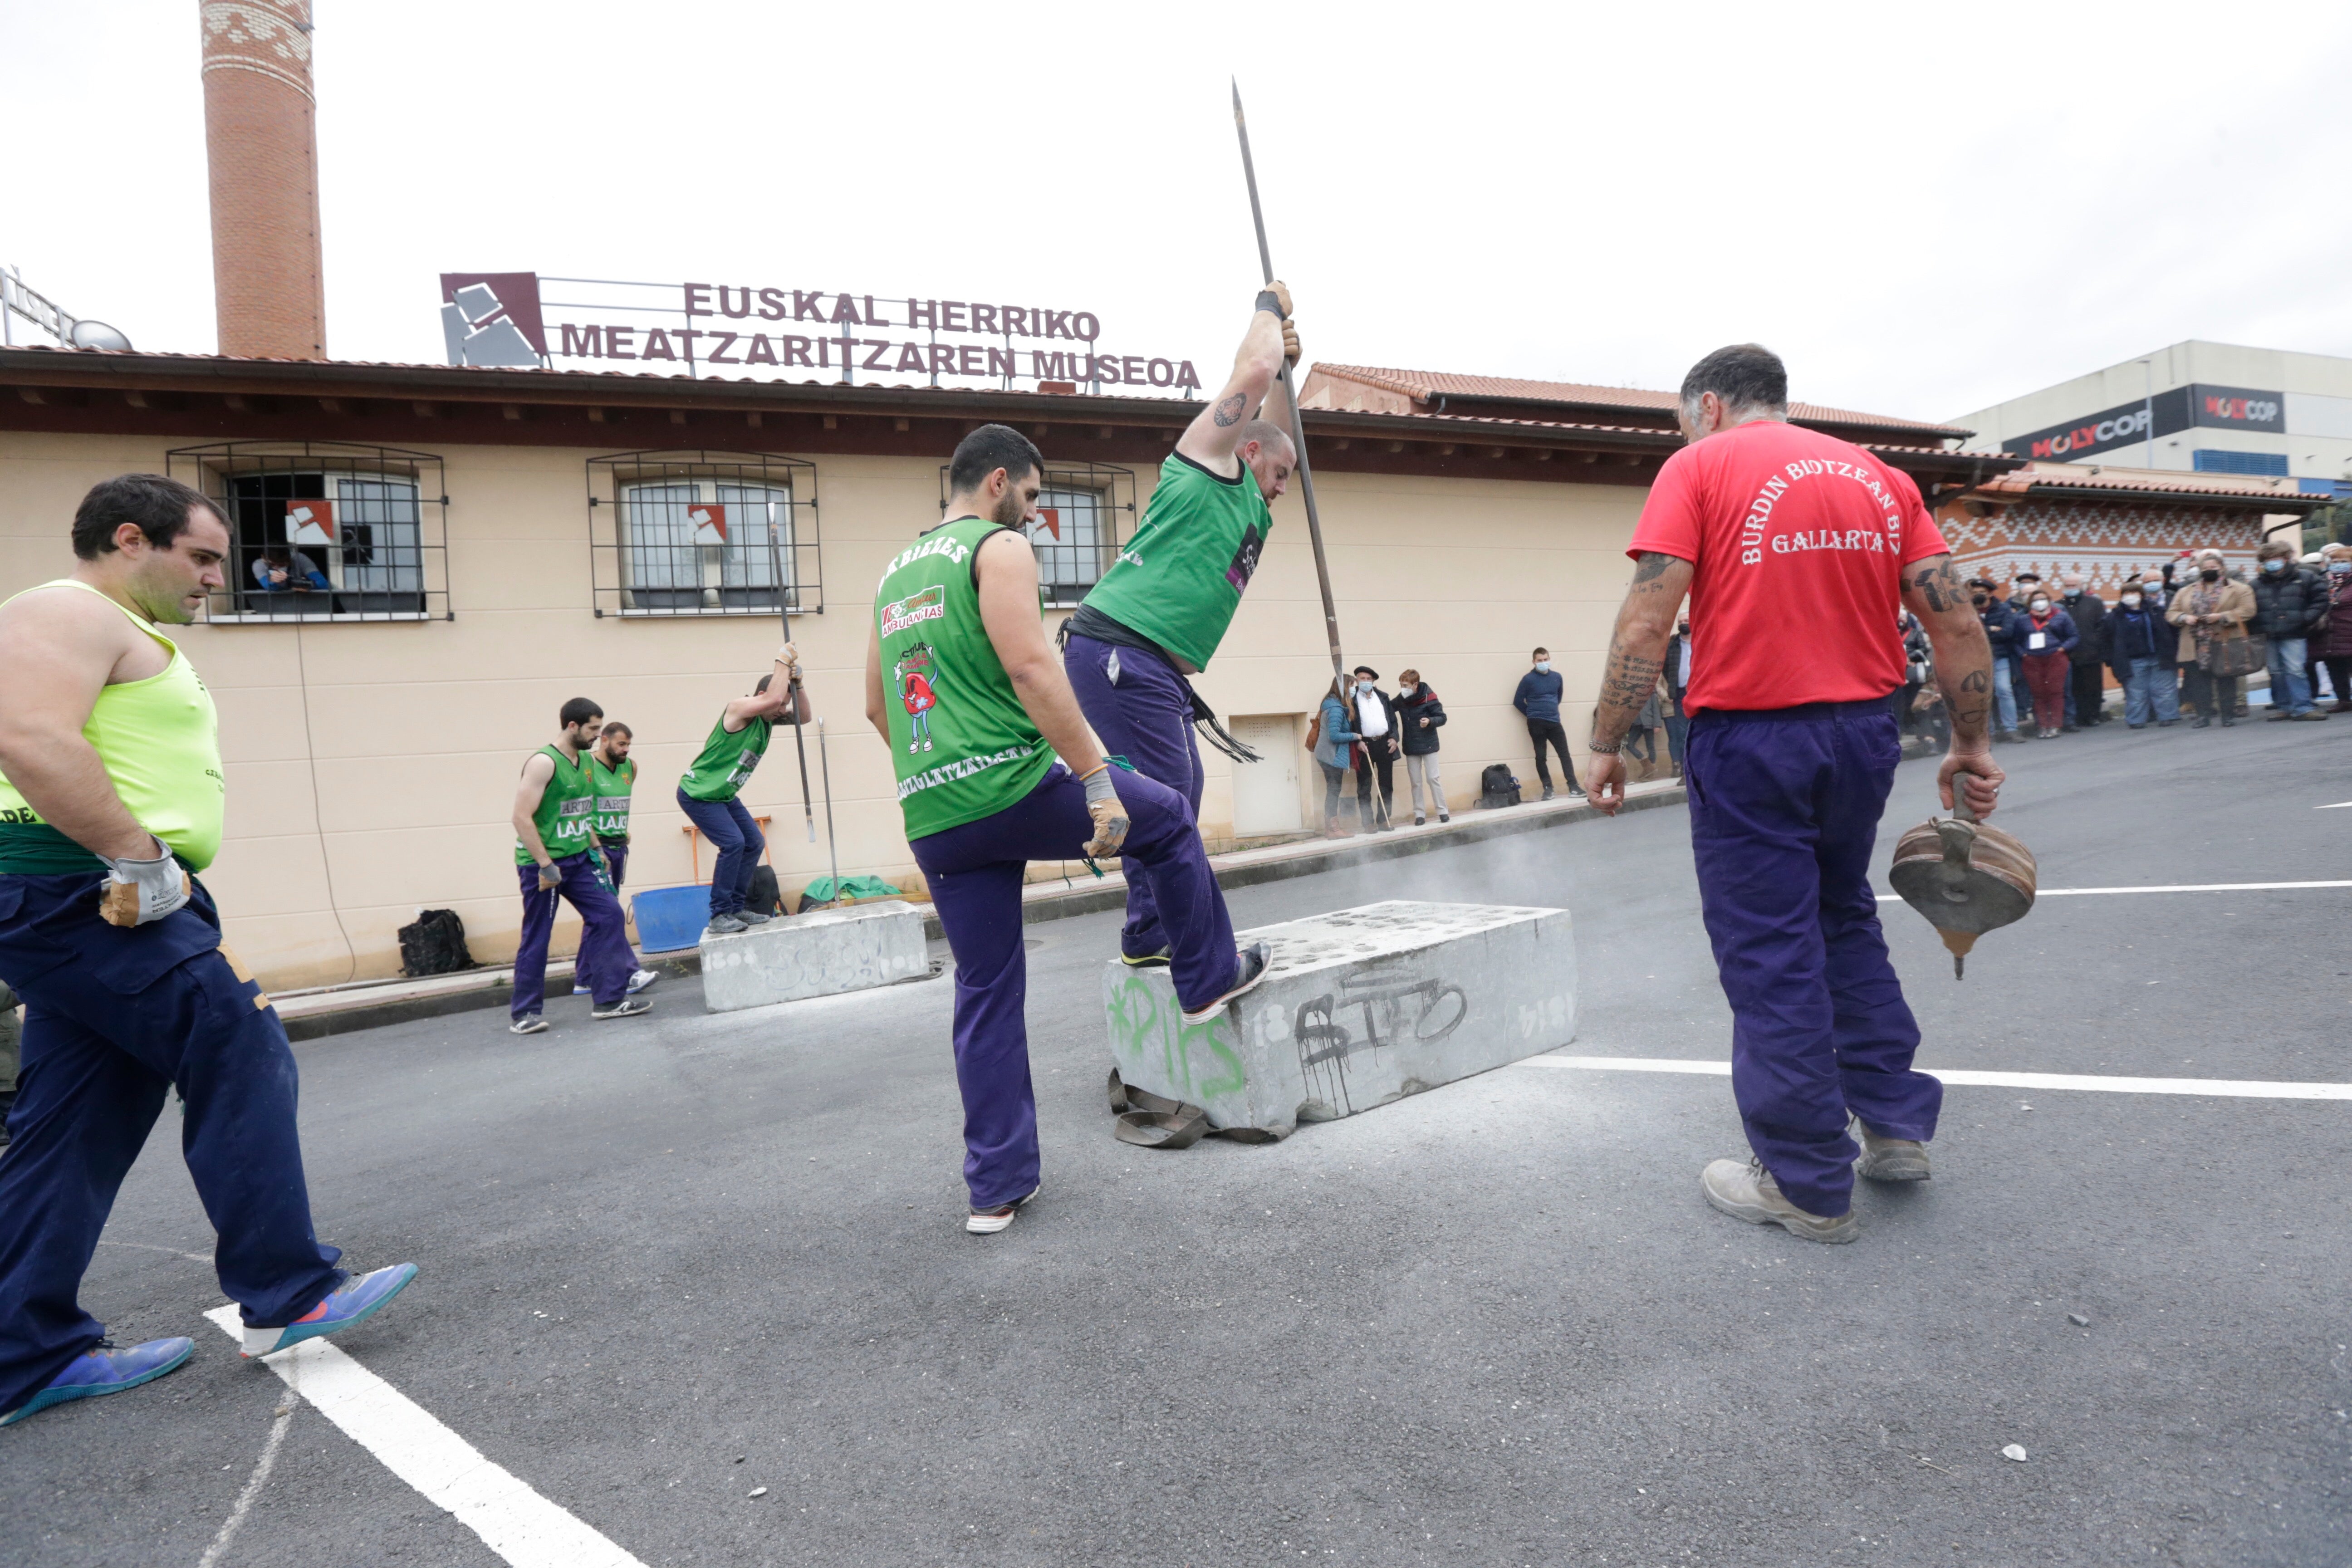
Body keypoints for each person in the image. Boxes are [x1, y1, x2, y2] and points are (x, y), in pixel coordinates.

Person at [0, 474, 418, 1428]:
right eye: (200, 559)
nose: (213, 581)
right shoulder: (68, 610)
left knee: (74, 1122)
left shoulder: (109, 628)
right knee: (238, 1039)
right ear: (130, 538)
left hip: (81, 892)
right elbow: (25, 735)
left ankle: (21, 1354)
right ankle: (285, 1292)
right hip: (93, 891)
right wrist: (139, 860)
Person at [1583, 344, 2003, 1245]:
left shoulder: (1696, 465)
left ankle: (1807, 1181)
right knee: (1842, 913)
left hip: (1753, 735)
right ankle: (1893, 1127)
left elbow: (1648, 620)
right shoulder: (1880, 479)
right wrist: (1970, 742)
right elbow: (1957, 617)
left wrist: (1605, 741)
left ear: (1706, 405)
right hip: (1861, 730)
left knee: (1770, 944)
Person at [867, 424, 1266, 1233]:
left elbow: (877, 707)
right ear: (997, 482)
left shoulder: (890, 575)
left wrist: (940, 769)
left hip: (934, 817)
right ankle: (1206, 978)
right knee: (1167, 814)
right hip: (1010, 785)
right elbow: (1031, 666)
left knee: (983, 992)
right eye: (1034, 495)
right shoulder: (996, 549)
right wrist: (1093, 781)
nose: (1035, 513)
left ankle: (995, 1190)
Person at [1061, 284, 1298, 967]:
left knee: (1177, 792)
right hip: (1119, 651)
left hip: (1147, 665)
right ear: (1245, 452)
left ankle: (1149, 929)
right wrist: (1267, 311)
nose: (1285, 485)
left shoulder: (1251, 501)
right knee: (1167, 802)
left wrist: (1288, 365)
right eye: (1278, 473)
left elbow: (1276, 423)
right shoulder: (1206, 465)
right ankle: (1182, 945)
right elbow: (1250, 381)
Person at [510, 698, 657, 1035]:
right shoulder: (544, 763)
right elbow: (521, 818)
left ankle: (609, 1001)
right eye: (593, 728)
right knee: (538, 936)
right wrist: (545, 865)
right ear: (572, 726)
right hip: (544, 865)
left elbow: (579, 811)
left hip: (581, 860)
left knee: (609, 915)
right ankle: (525, 1014)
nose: (597, 735)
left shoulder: (585, 763)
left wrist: (597, 849)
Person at [676, 652, 812, 935]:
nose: (782, 710)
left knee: (753, 841)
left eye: (785, 705)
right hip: (699, 794)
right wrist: (783, 662)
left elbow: (806, 717)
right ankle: (719, 914)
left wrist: (797, 684)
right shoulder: (738, 709)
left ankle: (737, 908)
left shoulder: (768, 719)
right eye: (779, 703)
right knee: (734, 843)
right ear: (762, 695)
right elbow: (773, 701)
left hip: (723, 796)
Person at [571, 721, 637, 998]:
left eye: (628, 745)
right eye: (621, 744)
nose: (625, 750)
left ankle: (585, 979)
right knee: (609, 914)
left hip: (618, 848)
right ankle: (631, 972)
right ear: (605, 740)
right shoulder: (587, 767)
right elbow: (582, 809)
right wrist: (596, 845)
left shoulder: (630, 767)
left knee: (599, 918)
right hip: (597, 851)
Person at [2170, 549, 2256, 729]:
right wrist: (2183, 618)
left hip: (2225, 639)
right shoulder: (2186, 591)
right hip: (2195, 642)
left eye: (2214, 567)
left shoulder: (2239, 588)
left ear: (2222, 568)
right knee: (2199, 681)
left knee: (2226, 680)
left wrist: (2222, 616)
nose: (2209, 570)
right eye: (2206, 567)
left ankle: (2228, 715)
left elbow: (2248, 610)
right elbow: (2172, 612)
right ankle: (2203, 716)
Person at [2250, 539, 2329, 721]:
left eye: (2276, 558)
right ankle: (2284, 707)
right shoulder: (2256, 584)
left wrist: (2305, 619)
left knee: (2295, 670)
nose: (2272, 562)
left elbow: (2321, 600)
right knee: (2275, 671)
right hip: (2268, 634)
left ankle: (2303, 707)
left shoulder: (2306, 577)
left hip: (2295, 632)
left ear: (2286, 558)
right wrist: (2256, 628)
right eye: (2267, 559)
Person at [2101, 579, 2182, 728]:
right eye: (2127, 593)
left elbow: (2171, 632)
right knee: (2136, 693)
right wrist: (2110, 660)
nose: (2130, 596)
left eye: (2134, 593)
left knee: (2163, 690)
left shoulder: (2156, 611)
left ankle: (2167, 716)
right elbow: (2106, 640)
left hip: (2159, 656)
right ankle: (2136, 720)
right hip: (2132, 660)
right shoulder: (2114, 617)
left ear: (2142, 595)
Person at [1513, 647, 1581, 800]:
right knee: (1541, 756)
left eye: (1546, 660)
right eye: (1540, 661)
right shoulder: (1528, 679)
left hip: (1555, 722)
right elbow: (1517, 701)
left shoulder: (1557, 677)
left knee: (1565, 754)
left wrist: (1550, 711)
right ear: (1534, 662)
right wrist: (1532, 714)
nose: (1543, 663)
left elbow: (1558, 698)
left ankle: (1574, 787)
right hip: (1536, 723)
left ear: (1549, 660)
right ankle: (1548, 789)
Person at [1969, 578, 2026, 742]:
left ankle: (2012, 729)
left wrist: (1981, 633)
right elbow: (1966, 633)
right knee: (1982, 696)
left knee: (2004, 691)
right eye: (1975, 593)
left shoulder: (2004, 609)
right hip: (1976, 660)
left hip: (1999, 657)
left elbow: (2007, 633)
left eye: (1982, 592)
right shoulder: (1967, 611)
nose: (1978, 595)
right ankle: (1989, 733)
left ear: (1990, 593)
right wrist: (1990, 629)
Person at [2017, 587, 2078, 738]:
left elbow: (2074, 636)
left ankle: (2056, 725)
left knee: (2056, 692)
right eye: (2036, 600)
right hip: (2032, 659)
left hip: (2055, 657)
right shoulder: (2022, 620)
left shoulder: (2061, 616)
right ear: (2030, 603)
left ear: (2049, 601)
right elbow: (2015, 641)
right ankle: (2043, 726)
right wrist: (2023, 654)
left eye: (2042, 599)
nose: (2039, 603)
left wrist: (2063, 649)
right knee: (2038, 694)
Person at [1347, 666, 1400, 830]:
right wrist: (1357, 741)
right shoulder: (1351, 699)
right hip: (1364, 746)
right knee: (1364, 786)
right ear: (1356, 681)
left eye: (1369, 679)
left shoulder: (1383, 697)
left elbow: (1393, 721)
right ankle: (1368, 823)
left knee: (1386, 785)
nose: (1366, 682)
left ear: (1374, 681)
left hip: (1384, 744)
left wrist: (1394, 738)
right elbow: (1349, 723)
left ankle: (1384, 820)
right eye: (1362, 679)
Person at [1394, 668, 1449, 824]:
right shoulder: (1403, 698)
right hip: (1411, 746)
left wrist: (1430, 722)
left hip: (1429, 744)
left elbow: (1442, 718)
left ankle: (1443, 811)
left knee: (1433, 779)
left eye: (1405, 685)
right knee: (1416, 782)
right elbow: (1389, 707)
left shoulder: (1430, 697)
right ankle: (1419, 814)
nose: (1403, 688)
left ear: (1415, 684)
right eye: (1401, 685)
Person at [2058, 573, 2107, 729]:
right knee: (2074, 687)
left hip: (2090, 651)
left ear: (2082, 586)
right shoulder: (2058, 606)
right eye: (2068, 586)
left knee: (2092, 686)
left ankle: (2093, 715)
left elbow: (2103, 626)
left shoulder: (2095, 603)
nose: (2071, 589)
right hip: (2067, 653)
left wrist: (2096, 642)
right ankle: (2078, 716)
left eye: (2074, 586)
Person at [1311, 677, 1358, 837]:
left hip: (1328, 754)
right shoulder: (1337, 709)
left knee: (1333, 790)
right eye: (1352, 686)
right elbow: (1335, 736)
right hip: (1330, 756)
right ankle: (1334, 829)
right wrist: (1355, 736)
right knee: (1333, 791)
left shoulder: (1331, 705)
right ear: (1345, 688)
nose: (1354, 690)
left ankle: (1330, 829)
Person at [2317, 543, 2352, 713]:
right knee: (2335, 666)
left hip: (2349, 629)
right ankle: (2343, 700)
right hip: (2330, 632)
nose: (2339, 564)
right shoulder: (2325, 582)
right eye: (2335, 561)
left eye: (2344, 561)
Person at [2004, 571, 2041, 725]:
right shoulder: (2012, 609)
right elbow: (2013, 636)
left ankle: (2038, 711)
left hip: (2043, 653)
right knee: (2020, 682)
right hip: (2022, 653)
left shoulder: (2048, 607)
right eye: (2023, 584)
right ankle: (2022, 711)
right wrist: (2022, 652)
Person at [1663, 614, 1693, 774]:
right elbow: (1666, 668)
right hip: (1681, 693)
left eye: (1686, 621)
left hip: (1699, 692)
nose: (1683, 624)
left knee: (1703, 729)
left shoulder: (1701, 640)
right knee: (1683, 733)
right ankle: (1685, 771)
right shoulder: (1673, 644)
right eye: (1680, 622)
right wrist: (1675, 684)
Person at [249, 546, 329, 593]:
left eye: (282, 564)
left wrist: (307, 585)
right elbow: (267, 586)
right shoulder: (259, 565)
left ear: (290, 559)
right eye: (272, 564)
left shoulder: (300, 559)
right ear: (263, 558)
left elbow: (323, 584)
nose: (276, 568)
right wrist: (273, 582)